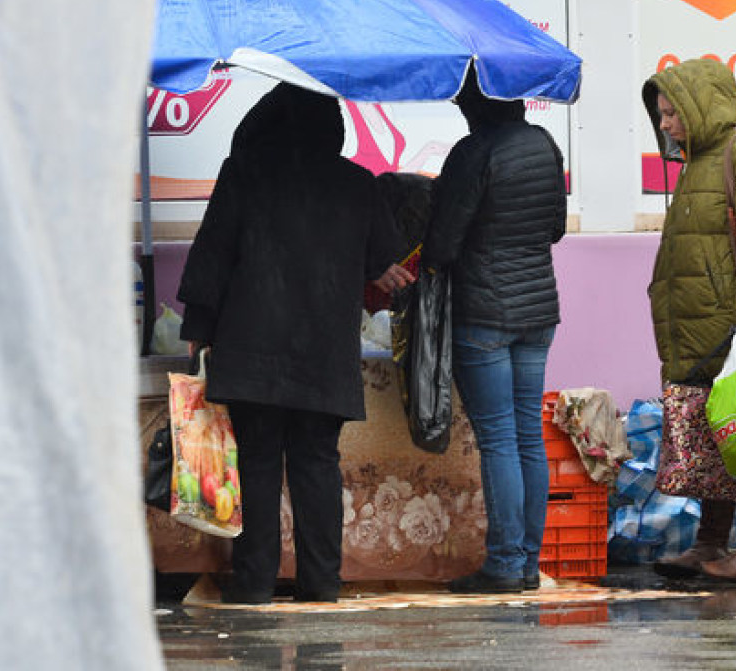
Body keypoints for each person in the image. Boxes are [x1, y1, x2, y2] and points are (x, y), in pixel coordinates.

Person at [178, 84, 404, 605]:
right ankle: (322, 582)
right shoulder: (356, 183)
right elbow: (385, 261)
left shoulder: (244, 173)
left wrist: (198, 331)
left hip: (251, 346)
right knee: (317, 464)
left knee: (256, 464)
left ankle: (254, 584)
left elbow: (213, 256)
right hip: (323, 352)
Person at [420, 65, 567, 594]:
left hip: (484, 313)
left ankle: (505, 564)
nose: (461, 110)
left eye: (464, 102)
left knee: (500, 440)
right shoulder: (545, 145)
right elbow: (554, 228)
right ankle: (527, 561)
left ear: (479, 104)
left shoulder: (472, 153)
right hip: (538, 312)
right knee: (529, 436)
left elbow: (441, 246)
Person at [642, 57, 736, 582]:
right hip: (695, 334)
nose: (665, 125)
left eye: (671, 113)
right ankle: (710, 544)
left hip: (733, 331)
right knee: (712, 437)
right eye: (661, 116)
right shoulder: (693, 164)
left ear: (698, 108)